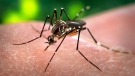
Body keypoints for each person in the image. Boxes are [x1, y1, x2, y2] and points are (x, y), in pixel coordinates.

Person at [0, 3, 135, 76]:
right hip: (65, 26)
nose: (51, 40)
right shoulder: (53, 31)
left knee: (81, 30)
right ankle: (68, 22)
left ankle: (100, 45)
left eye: (51, 40)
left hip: (72, 27)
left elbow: (63, 33)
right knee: (52, 17)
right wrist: (40, 33)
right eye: (51, 39)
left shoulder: (59, 34)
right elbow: (55, 27)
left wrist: (53, 52)